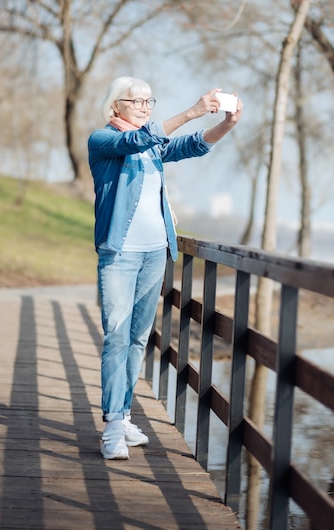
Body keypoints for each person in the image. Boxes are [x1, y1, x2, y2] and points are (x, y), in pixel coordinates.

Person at [88, 76, 243, 460]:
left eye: (149, 101)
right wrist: (192, 110)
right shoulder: (103, 141)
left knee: (139, 339)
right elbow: (135, 141)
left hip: (156, 252)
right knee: (116, 338)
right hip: (120, 253)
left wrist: (224, 124)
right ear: (115, 107)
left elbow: (190, 146)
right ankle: (111, 426)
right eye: (136, 101)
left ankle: (123, 415)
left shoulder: (153, 146)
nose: (145, 106)